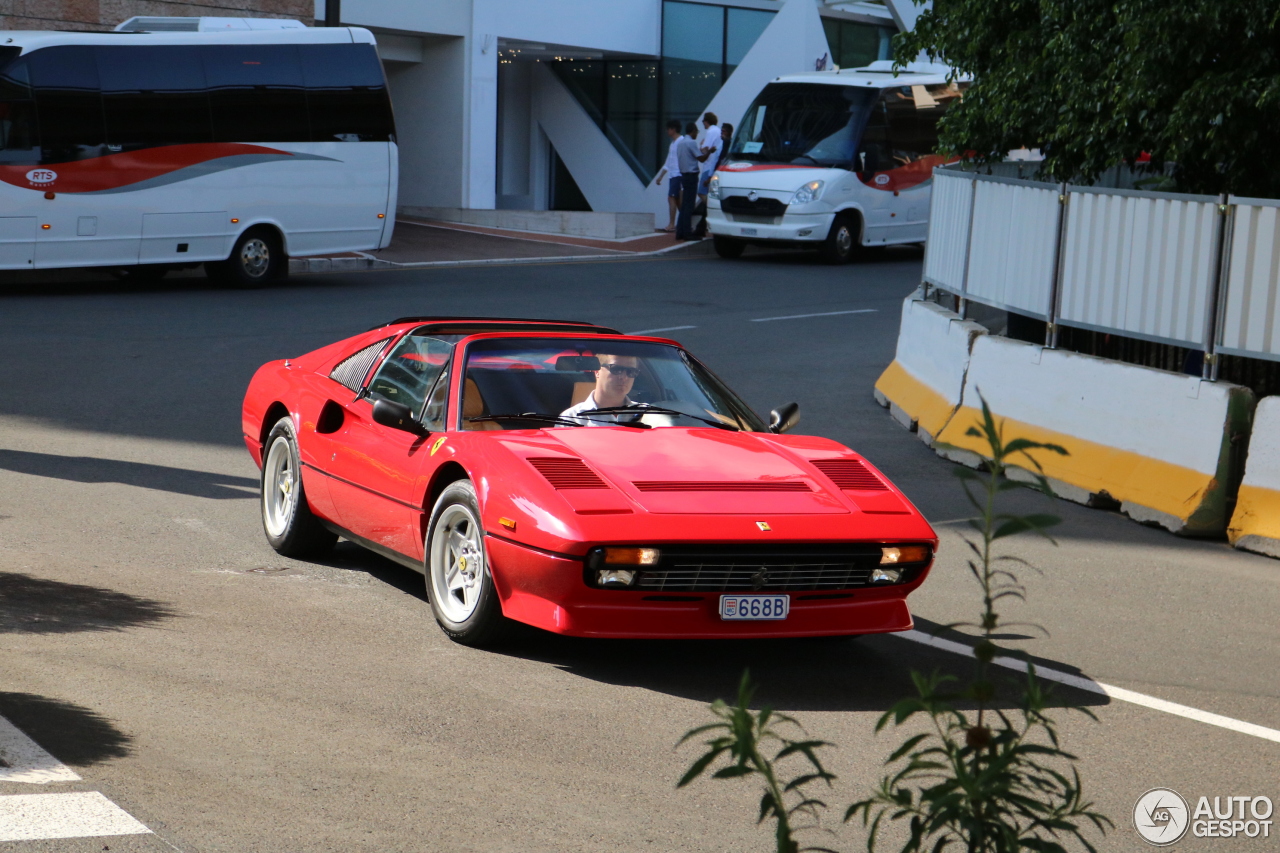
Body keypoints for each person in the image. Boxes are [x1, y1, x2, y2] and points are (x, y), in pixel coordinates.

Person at [559, 355, 645, 426]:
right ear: (597, 371)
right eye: (616, 369)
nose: (624, 377)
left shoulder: (647, 414)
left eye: (631, 371)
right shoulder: (571, 418)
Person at [692, 112, 722, 238]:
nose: (703, 123)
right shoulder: (718, 131)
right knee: (707, 192)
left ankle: (713, 209)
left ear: (707, 121)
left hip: (708, 166)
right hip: (714, 165)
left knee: (702, 193)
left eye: (704, 121)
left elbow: (704, 149)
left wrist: (701, 145)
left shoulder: (710, 131)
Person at [652, 119, 684, 232]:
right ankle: (685, 222)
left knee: (671, 197)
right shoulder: (673, 144)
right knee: (677, 200)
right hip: (673, 175)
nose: (667, 131)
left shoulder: (681, 141)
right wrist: (661, 176)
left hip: (678, 174)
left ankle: (672, 223)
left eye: (668, 129)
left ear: (673, 129)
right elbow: (668, 162)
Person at [674, 122, 702, 239]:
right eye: (697, 132)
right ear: (693, 131)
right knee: (689, 205)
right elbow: (701, 158)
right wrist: (709, 151)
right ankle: (687, 232)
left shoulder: (680, 143)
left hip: (683, 175)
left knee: (685, 204)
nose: (697, 134)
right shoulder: (691, 142)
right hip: (691, 175)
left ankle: (680, 231)